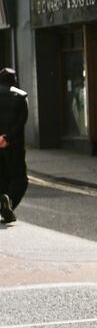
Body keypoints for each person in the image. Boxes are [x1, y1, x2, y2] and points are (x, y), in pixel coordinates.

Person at [0, 67, 28, 224]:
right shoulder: (21, 97)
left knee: (2, 178)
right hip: (14, 145)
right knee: (19, 179)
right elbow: (21, 122)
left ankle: (4, 204)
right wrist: (7, 138)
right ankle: (9, 202)